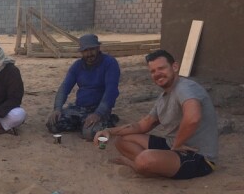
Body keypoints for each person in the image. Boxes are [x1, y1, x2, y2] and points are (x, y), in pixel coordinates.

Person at [93, 49, 218, 179]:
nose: (157, 74)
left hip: (198, 156)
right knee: (122, 140)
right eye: (153, 71)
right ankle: (151, 165)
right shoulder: (163, 98)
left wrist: (178, 144)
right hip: (173, 146)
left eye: (161, 68)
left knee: (144, 159)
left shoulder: (185, 88)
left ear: (174, 67)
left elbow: (193, 118)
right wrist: (109, 131)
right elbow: (143, 125)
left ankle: (139, 165)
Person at [46, 33, 120, 140]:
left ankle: (106, 120)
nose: (89, 53)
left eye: (92, 49)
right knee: (52, 124)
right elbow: (64, 88)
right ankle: (82, 123)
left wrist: (98, 114)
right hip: (79, 108)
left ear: (98, 48)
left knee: (90, 134)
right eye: (85, 51)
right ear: (81, 52)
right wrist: (57, 108)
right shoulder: (77, 66)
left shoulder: (110, 63)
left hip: (98, 108)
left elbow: (111, 91)